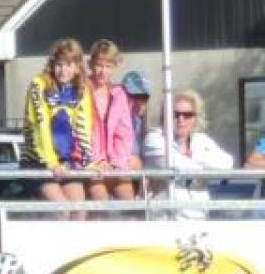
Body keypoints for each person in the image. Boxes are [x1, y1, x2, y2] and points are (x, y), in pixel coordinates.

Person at [21, 37, 93, 206]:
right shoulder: (39, 85)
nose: (63, 70)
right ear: (52, 64)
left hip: (66, 161)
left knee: (79, 209)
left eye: (68, 65)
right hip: (38, 161)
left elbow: (83, 128)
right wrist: (52, 163)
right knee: (62, 209)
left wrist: (86, 161)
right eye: (59, 64)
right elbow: (40, 127)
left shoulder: (81, 89)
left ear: (77, 67)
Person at [142, 88, 232, 216]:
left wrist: (195, 155)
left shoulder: (201, 140)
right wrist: (206, 170)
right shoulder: (155, 138)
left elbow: (227, 164)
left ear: (195, 117)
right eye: (175, 114)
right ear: (164, 116)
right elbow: (175, 166)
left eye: (187, 115)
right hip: (165, 218)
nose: (181, 119)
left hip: (198, 216)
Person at [85, 40, 141, 202]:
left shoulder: (119, 95)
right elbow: (79, 132)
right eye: (99, 65)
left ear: (115, 67)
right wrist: (95, 161)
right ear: (90, 64)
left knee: (130, 203)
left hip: (114, 165)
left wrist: (117, 163)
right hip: (91, 166)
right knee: (100, 200)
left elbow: (124, 134)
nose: (103, 71)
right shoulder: (80, 91)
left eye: (108, 66)